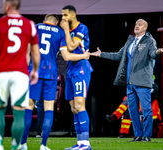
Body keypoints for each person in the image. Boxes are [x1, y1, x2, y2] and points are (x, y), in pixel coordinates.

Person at [18, 14, 90, 150]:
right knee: (49, 109)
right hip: (51, 73)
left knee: (29, 106)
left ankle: (23, 144)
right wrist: (84, 55)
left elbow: (26, 52)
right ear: (56, 22)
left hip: (34, 71)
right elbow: (67, 56)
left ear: (45, 19)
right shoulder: (60, 32)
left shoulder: (35, 27)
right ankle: (43, 145)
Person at [91, 19, 163, 142]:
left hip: (142, 81)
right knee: (132, 111)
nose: (137, 26)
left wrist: (157, 52)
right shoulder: (130, 40)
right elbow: (118, 55)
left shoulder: (149, 40)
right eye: (136, 24)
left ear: (145, 28)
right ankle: (138, 135)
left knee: (146, 110)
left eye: (140, 25)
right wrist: (101, 54)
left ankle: (146, 136)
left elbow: (153, 53)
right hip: (130, 83)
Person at [0, 0, 40, 150]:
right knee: (19, 113)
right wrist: (35, 70)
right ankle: (14, 146)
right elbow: (34, 53)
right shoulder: (30, 24)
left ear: (7, 6)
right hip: (20, 73)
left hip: (1, 72)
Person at [60, 5, 93, 150]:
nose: (63, 19)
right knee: (73, 107)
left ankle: (86, 144)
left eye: (65, 15)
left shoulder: (82, 28)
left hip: (81, 69)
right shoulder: (65, 31)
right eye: (62, 16)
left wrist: (66, 30)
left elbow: (72, 46)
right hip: (70, 70)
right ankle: (80, 143)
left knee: (80, 105)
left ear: (73, 15)